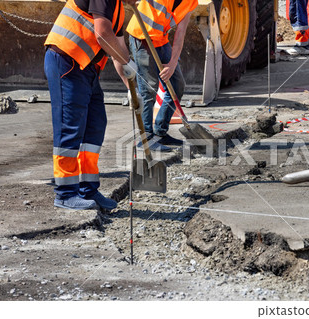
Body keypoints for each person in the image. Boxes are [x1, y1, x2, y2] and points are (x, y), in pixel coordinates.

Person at [44, 0, 138, 210]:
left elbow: (117, 46)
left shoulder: (119, 10)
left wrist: (131, 87)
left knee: (95, 125)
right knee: (70, 126)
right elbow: (103, 34)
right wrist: (125, 60)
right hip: (66, 61)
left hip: (86, 67)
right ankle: (65, 194)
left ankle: (88, 189)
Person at [126, 0, 198, 151]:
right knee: (149, 89)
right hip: (141, 38)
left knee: (177, 85)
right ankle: (146, 138)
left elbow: (180, 33)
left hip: (161, 41)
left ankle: (160, 132)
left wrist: (172, 63)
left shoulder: (190, 2)